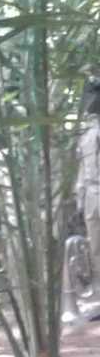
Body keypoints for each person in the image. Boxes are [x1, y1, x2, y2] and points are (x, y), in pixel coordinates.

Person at [74, 77, 100, 300]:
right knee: (95, 249)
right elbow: (82, 167)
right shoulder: (86, 133)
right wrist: (80, 199)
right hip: (92, 196)